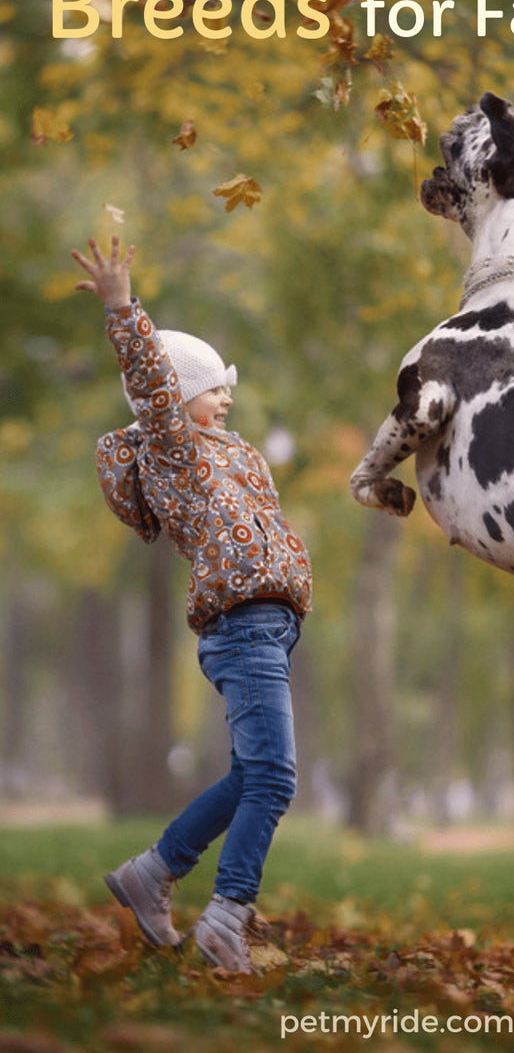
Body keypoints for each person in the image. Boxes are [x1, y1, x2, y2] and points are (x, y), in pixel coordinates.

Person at [71, 235, 312, 972]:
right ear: (176, 398)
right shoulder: (174, 450)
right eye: (213, 386)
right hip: (241, 628)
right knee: (275, 778)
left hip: (267, 626)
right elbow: (148, 380)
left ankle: (151, 873)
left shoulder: (232, 452)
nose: (227, 395)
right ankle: (227, 915)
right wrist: (122, 308)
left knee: (251, 773)